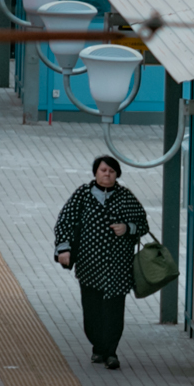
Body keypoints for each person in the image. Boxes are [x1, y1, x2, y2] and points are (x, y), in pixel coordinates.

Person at [53, 155, 149, 369]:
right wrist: (63, 249)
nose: (107, 174)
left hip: (118, 266)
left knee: (114, 310)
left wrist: (127, 228)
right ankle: (98, 346)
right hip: (89, 265)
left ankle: (110, 351)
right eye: (103, 170)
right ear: (96, 172)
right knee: (92, 309)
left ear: (117, 175)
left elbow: (142, 223)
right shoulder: (83, 195)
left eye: (111, 171)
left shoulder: (125, 197)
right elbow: (64, 222)